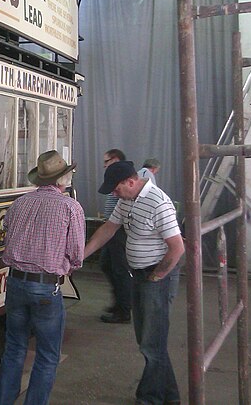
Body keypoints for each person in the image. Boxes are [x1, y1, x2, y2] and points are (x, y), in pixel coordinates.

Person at [84, 161, 185, 405]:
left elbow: (177, 248)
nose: (113, 193)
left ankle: (149, 398)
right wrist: (81, 255)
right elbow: (108, 228)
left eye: (116, 189)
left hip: (156, 276)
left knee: (151, 343)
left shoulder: (158, 203)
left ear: (131, 182)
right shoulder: (127, 200)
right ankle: (170, 397)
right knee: (149, 340)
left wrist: (156, 277)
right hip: (141, 275)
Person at [0, 150, 85, 405]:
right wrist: (65, 267)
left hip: (15, 283)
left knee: (13, 349)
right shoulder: (70, 207)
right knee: (46, 356)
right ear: (61, 179)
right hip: (45, 288)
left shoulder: (20, 203)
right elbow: (77, 254)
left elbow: (7, 235)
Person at [98, 148, 132, 323]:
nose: (104, 165)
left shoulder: (123, 180)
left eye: (107, 161)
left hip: (118, 231)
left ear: (116, 159)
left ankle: (124, 310)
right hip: (111, 228)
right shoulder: (114, 179)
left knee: (120, 270)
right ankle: (119, 302)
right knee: (106, 265)